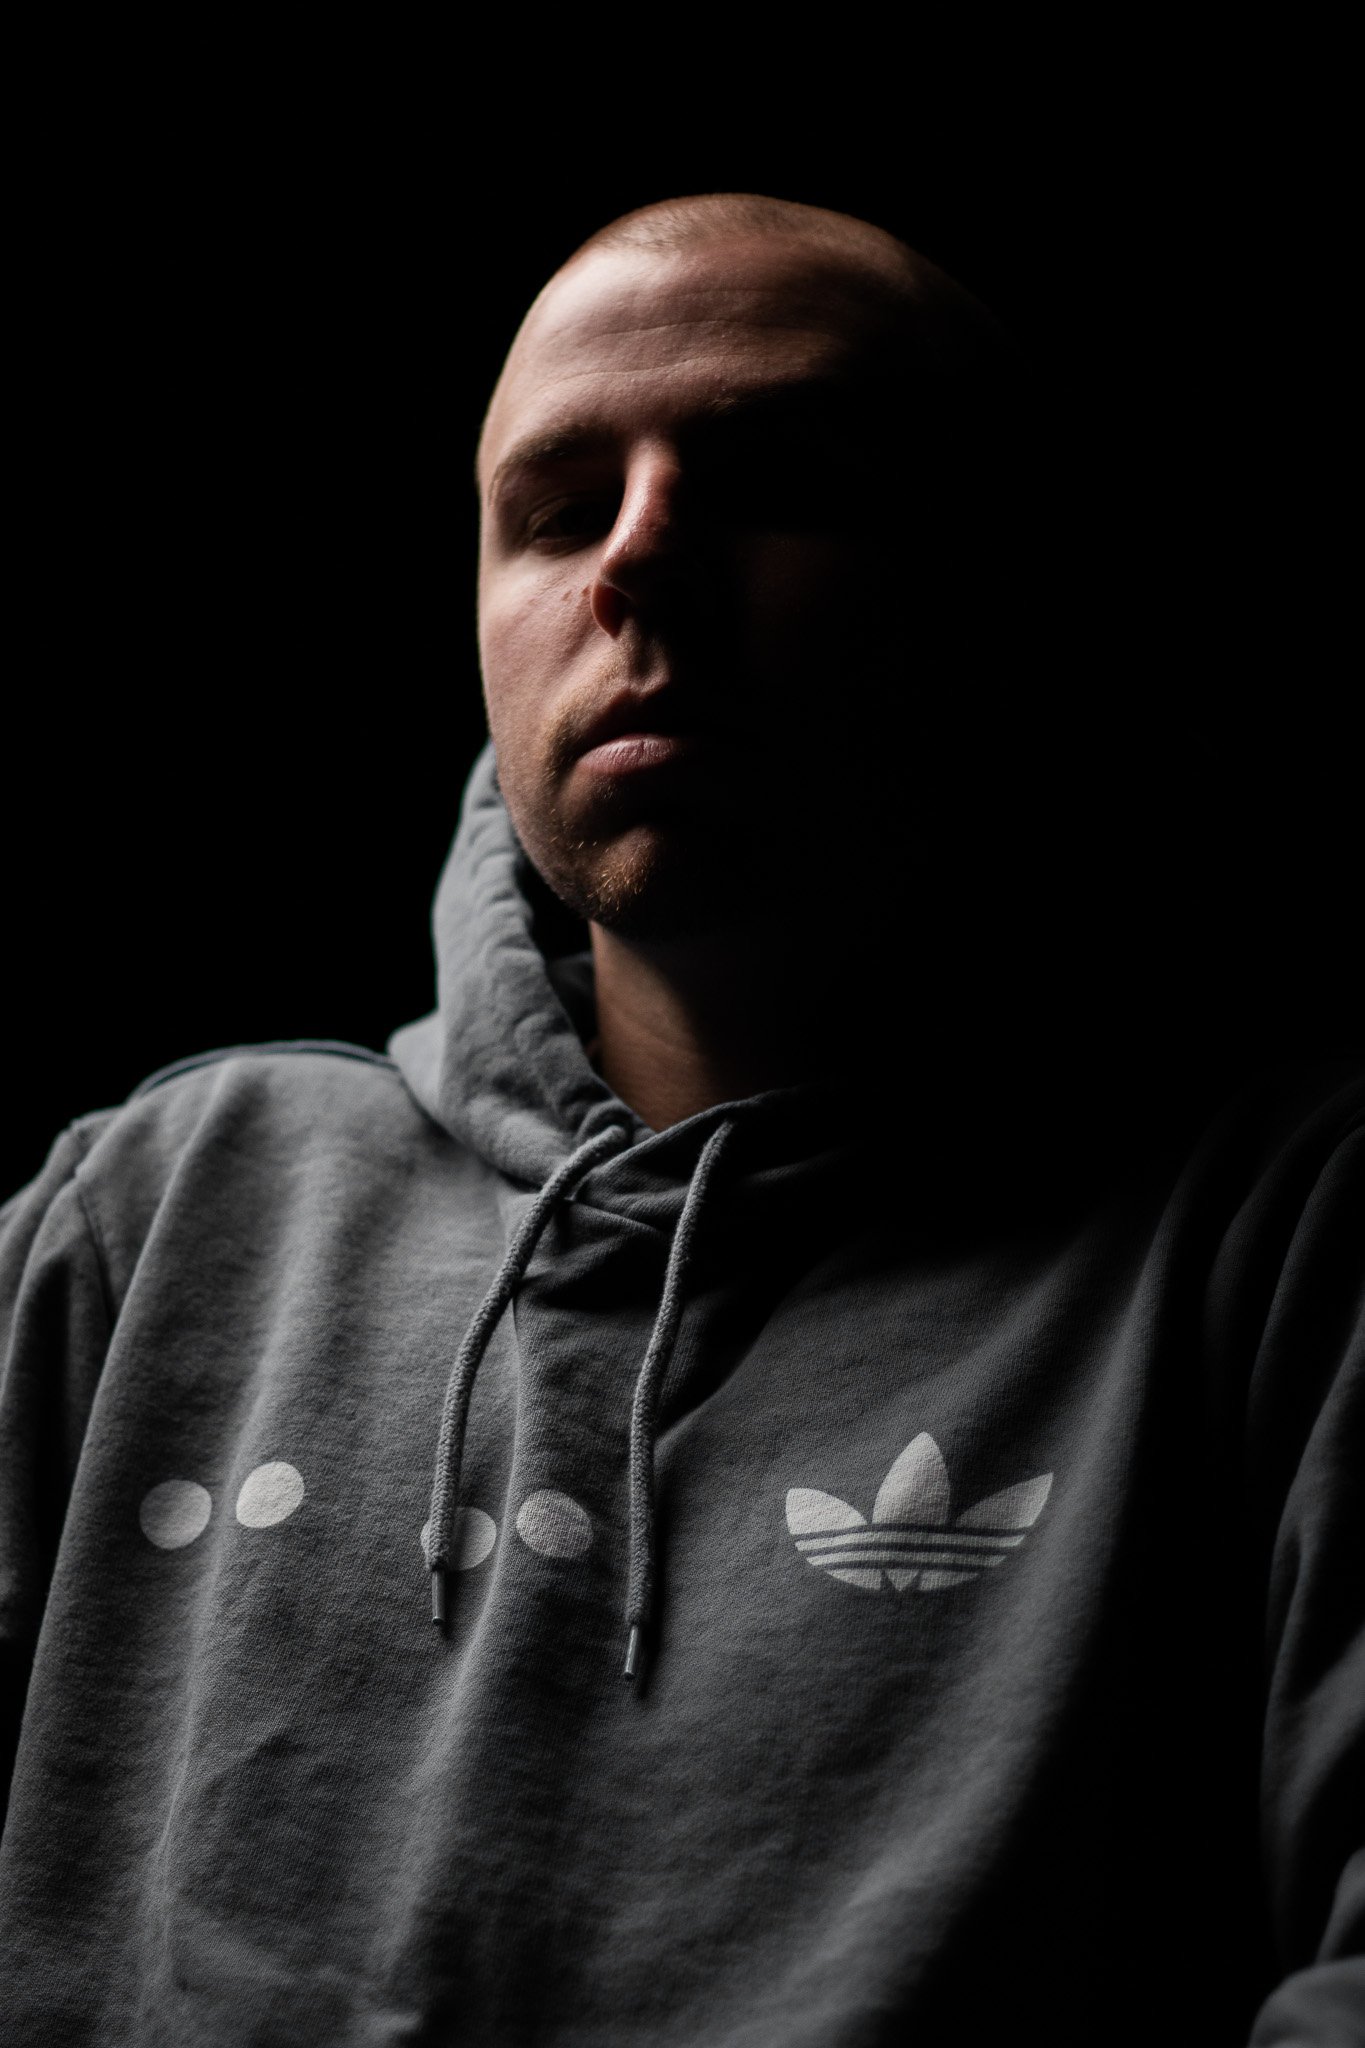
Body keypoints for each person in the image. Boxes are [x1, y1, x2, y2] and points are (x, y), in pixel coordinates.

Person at [0, 193, 1360, 2047]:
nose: (632, 562)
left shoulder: (1290, 1243)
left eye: (778, 483)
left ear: (1027, 594)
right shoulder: (160, 1210)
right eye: (558, 511)